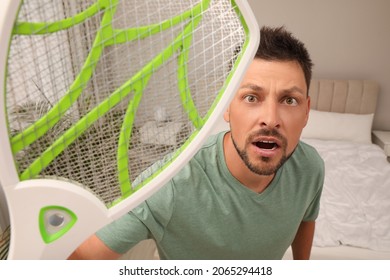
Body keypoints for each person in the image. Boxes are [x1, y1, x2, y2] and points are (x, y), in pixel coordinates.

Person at [69, 26, 324, 260]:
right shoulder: (169, 184)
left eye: (289, 100)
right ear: (226, 106)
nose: (270, 119)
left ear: (306, 111)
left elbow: (305, 219)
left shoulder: (310, 167)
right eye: (251, 97)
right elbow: (82, 260)